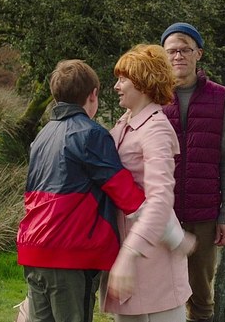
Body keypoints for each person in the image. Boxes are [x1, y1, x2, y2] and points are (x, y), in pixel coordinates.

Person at [16, 59, 147, 322]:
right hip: (70, 253)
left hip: (34, 248)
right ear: (93, 94)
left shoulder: (42, 136)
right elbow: (124, 192)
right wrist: (161, 216)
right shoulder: (91, 134)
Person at [101, 44, 193, 322]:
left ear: (142, 82)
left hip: (153, 261)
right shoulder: (123, 124)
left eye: (123, 79)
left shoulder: (156, 129)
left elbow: (160, 201)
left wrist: (129, 254)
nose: (116, 86)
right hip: (127, 259)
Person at [160, 23, 225, 322]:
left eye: (185, 49)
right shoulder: (153, 96)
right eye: (171, 51)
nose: (178, 56)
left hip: (204, 215)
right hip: (162, 214)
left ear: (199, 54)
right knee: (161, 292)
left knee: (201, 297)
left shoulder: (221, 97)